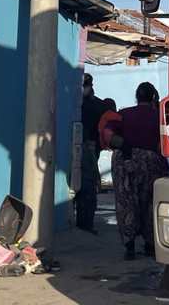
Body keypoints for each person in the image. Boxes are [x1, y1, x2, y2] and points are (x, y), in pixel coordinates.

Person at [103, 82, 169, 260]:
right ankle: (149, 245)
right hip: (150, 162)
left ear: (137, 97)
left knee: (126, 203)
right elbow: (164, 142)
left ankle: (130, 247)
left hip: (124, 162)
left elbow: (109, 131)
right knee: (150, 203)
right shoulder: (159, 116)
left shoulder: (124, 114)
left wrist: (123, 147)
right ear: (154, 97)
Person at [75, 73, 106, 234]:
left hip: (91, 145)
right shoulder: (78, 102)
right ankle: (83, 221)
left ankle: (85, 222)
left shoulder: (95, 105)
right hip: (81, 144)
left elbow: (100, 128)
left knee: (86, 186)